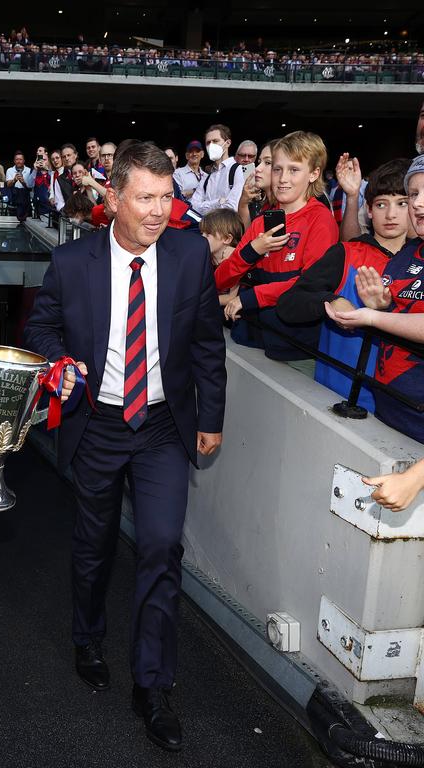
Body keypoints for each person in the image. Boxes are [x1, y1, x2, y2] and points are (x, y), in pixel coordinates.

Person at [24, 141, 226, 753]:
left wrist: (211, 416)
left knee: (162, 545)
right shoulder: (73, 261)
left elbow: (208, 342)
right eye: (146, 198)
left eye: (168, 197)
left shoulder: (191, 255)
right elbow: (42, 327)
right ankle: (87, 635)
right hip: (99, 423)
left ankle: (152, 684)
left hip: (164, 424)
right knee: (95, 543)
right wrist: (59, 364)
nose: (160, 210)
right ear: (113, 198)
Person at [276, 159, 411, 410]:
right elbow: (289, 304)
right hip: (339, 400)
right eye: (381, 204)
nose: (391, 214)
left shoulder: (417, 264)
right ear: (369, 210)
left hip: (404, 410)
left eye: (402, 203)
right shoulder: (346, 254)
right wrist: (331, 300)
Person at [322, 155, 424, 442]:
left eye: (404, 201)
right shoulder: (407, 255)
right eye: (414, 194)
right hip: (390, 408)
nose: (417, 203)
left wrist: (373, 316)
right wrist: (382, 305)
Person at [217, 131, 338, 356]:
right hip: (250, 337)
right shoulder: (262, 221)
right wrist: (254, 250)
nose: (282, 179)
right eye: (278, 169)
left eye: (294, 170)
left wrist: (251, 297)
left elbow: (308, 285)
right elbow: (221, 278)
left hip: (293, 347)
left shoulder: (320, 219)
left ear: (313, 174)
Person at [189, 124, 245, 215]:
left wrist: (205, 206)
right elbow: (193, 207)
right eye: (208, 143)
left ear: (227, 143)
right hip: (206, 228)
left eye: (215, 141)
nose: (211, 146)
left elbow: (231, 208)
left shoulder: (238, 170)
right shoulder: (207, 177)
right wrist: (218, 202)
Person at [238, 140, 274, 229]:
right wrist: (243, 203)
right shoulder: (267, 206)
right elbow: (249, 234)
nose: (257, 168)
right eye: (259, 162)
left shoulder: (288, 206)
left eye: (268, 162)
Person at [5, 151, 34, 223]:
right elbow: (8, 185)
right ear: (14, 161)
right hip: (14, 200)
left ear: (24, 161)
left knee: (27, 222)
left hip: (25, 200)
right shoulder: (10, 170)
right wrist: (14, 180)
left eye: (20, 159)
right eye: (17, 159)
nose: (19, 161)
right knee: (13, 222)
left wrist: (23, 182)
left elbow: (30, 188)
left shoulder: (29, 170)